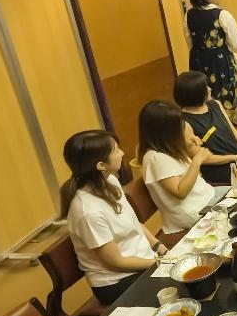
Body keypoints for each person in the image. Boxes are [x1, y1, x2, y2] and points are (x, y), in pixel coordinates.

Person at [61, 130, 166, 305]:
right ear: (101, 165)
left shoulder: (110, 181)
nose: (122, 153)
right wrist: (158, 262)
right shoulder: (88, 211)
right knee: (178, 285)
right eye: (116, 150)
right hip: (118, 281)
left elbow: (134, 223)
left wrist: (158, 246)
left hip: (143, 260)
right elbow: (116, 262)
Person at [139, 100, 216, 236]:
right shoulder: (155, 158)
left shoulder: (167, 148)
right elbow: (180, 192)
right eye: (178, 124)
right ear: (165, 130)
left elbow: (194, 176)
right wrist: (197, 160)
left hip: (205, 198)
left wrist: (188, 147)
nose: (182, 125)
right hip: (193, 212)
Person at [174, 71, 237, 184]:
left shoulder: (215, 104)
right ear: (194, 93)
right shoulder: (184, 123)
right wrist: (235, 158)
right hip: (221, 171)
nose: (210, 89)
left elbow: (232, 130)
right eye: (206, 87)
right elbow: (202, 158)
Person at [186, 0, 237, 124]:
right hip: (220, 60)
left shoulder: (189, 14)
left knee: (204, 94)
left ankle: (211, 125)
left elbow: (189, 41)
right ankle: (231, 126)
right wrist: (222, 48)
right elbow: (236, 44)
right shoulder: (222, 14)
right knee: (226, 93)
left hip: (197, 61)